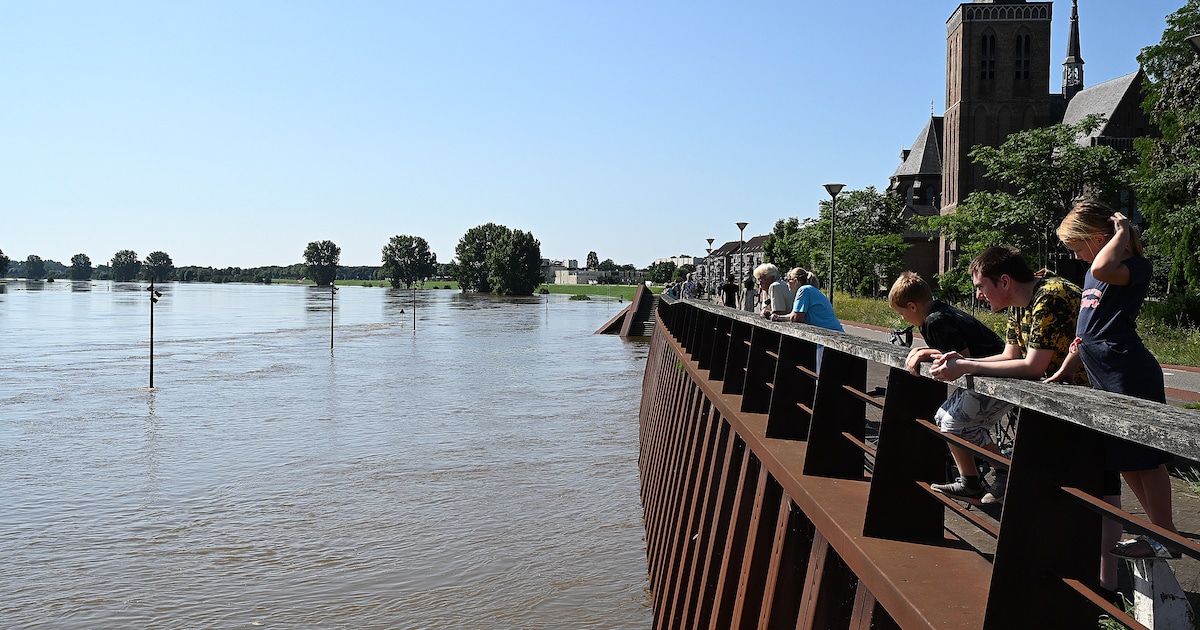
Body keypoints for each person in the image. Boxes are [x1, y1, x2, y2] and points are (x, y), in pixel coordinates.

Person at [1046, 200, 1177, 570]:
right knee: (1127, 459)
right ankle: (1155, 532)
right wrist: (1063, 373)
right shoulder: (1093, 272)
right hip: (1104, 374)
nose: (1077, 257)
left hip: (1128, 371)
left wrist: (1122, 232)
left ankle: (1165, 535)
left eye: (1076, 248)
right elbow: (1083, 334)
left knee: (1147, 458)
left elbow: (1103, 267)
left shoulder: (1130, 268)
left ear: (1100, 239)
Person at [929, 247, 1089, 502]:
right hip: (1057, 400)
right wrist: (962, 361)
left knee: (1082, 487)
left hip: (1086, 401)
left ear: (1005, 281)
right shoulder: (1021, 299)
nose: (979, 296)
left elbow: (1033, 366)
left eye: (981, 287)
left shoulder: (1050, 295)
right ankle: (1003, 473)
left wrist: (967, 366)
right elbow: (1010, 356)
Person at [888, 271, 1008, 503]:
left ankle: (1003, 470)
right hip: (980, 375)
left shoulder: (936, 320)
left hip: (997, 377)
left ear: (912, 306)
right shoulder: (935, 313)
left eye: (901, 313)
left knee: (955, 424)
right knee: (943, 417)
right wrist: (925, 352)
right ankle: (969, 481)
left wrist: (923, 352)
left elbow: (959, 357)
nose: (903, 319)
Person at [771, 268, 843, 332]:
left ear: (796, 281)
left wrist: (778, 318)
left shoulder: (804, 290)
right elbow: (794, 315)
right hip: (831, 331)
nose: (787, 283)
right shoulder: (809, 289)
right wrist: (778, 317)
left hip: (829, 334)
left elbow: (796, 318)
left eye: (788, 280)